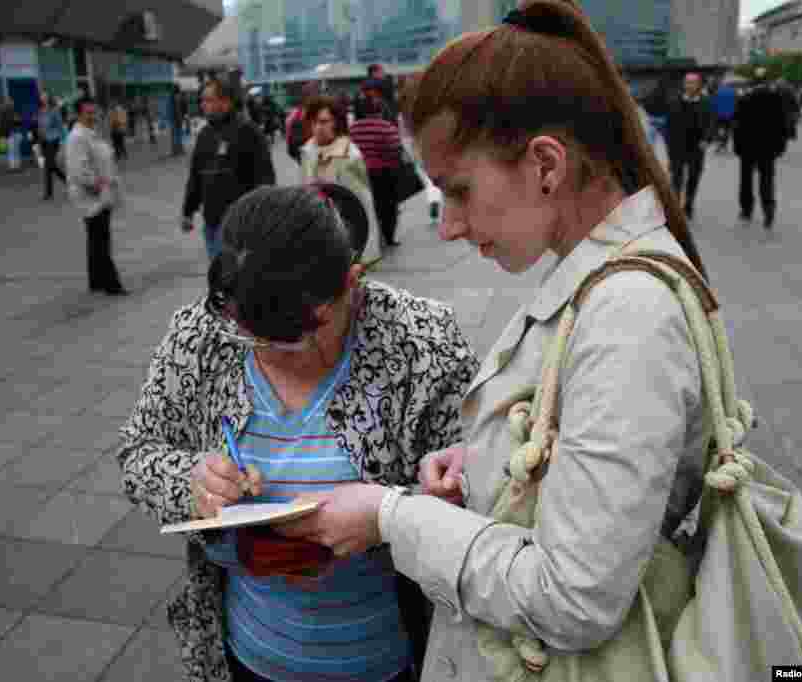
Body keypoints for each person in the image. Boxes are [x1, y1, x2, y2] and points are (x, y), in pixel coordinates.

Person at [267, 4, 714, 682]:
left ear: (545, 164)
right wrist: (488, 459)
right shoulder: (602, 280)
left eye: (458, 190)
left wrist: (393, 518)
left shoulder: (629, 317)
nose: (446, 226)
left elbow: (573, 598)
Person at [117, 182, 480, 682]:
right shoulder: (203, 334)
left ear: (352, 281)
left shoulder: (421, 342)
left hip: (384, 657)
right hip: (250, 651)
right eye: (254, 338)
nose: (273, 355)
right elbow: (137, 453)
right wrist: (191, 481)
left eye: (301, 337)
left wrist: (392, 515)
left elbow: (476, 489)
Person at [182, 77, 276, 261]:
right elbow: (196, 176)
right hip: (212, 223)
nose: (203, 105)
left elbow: (265, 179)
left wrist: (259, 219)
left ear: (225, 101)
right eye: (202, 100)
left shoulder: (248, 131)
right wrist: (188, 210)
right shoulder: (205, 134)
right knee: (221, 278)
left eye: (208, 100)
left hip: (240, 225)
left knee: (237, 280)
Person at [300, 95, 382, 266]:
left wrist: (366, 250)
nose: (318, 127)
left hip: (347, 236)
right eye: (314, 122)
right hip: (318, 232)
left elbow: (363, 203)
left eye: (324, 121)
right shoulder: (308, 151)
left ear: (335, 122)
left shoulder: (350, 155)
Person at [66, 96, 127, 296]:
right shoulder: (77, 137)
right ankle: (111, 284)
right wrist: (97, 184)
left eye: (95, 112)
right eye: (88, 113)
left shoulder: (92, 133)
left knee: (96, 239)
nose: (93, 116)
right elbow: (79, 170)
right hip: (91, 196)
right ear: (78, 114)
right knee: (100, 240)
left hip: (99, 194)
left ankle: (97, 280)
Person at [733, 67, 790, 229]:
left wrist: (737, 146)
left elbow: (737, 125)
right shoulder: (776, 99)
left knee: (746, 180)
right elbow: (782, 125)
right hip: (768, 148)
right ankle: (768, 210)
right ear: (767, 82)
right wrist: (780, 146)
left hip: (747, 147)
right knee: (767, 180)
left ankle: (746, 209)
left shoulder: (745, 99)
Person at [350, 81, 403, 247]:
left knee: (366, 205)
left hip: (360, 173)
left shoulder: (353, 129)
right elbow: (396, 148)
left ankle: (369, 236)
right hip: (384, 172)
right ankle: (389, 237)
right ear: (378, 110)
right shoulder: (386, 127)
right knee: (388, 205)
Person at [665, 72, 715, 220]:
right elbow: (669, 126)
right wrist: (669, 147)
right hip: (678, 146)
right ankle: (675, 207)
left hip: (697, 147)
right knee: (677, 178)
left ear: (699, 85)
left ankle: (689, 204)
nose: (690, 85)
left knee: (693, 177)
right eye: (687, 82)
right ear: (684, 84)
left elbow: (711, 123)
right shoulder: (674, 101)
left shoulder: (706, 102)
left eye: (693, 82)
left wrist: (707, 139)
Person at [40, 96, 67, 200]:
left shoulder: (54, 111)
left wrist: (64, 141)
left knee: (48, 166)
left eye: (44, 96)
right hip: (44, 141)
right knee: (51, 166)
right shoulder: (42, 111)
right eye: (42, 97)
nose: (42, 98)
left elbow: (60, 126)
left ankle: (48, 193)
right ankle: (68, 183)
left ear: (48, 99)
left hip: (54, 140)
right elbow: (40, 125)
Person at [711, 80, 736, 153]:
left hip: (719, 114)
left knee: (719, 129)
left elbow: (713, 103)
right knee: (727, 129)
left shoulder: (717, 92)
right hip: (730, 114)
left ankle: (720, 143)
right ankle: (724, 144)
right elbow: (736, 103)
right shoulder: (733, 92)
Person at [0, 96, 22, 171]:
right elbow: (3, 125)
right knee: (12, 151)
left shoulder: (14, 111)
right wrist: (2, 136)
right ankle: (13, 166)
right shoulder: (4, 112)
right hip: (10, 134)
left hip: (15, 133)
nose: (11, 103)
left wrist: (17, 121)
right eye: (9, 102)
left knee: (15, 151)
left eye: (11, 101)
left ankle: (16, 166)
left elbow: (19, 122)